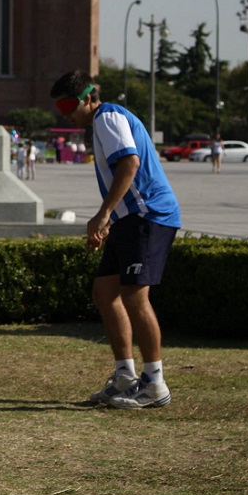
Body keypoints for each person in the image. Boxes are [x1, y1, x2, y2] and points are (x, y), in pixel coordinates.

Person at [50, 70, 181, 409]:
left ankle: (155, 385)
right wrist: (110, 221)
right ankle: (125, 376)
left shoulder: (107, 116)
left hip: (149, 214)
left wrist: (103, 214)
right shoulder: (101, 122)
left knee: (134, 296)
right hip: (129, 217)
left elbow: (130, 164)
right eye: (60, 108)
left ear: (88, 98)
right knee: (105, 292)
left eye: (68, 105)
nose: (66, 113)